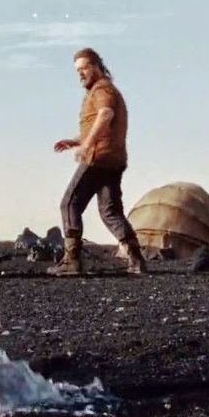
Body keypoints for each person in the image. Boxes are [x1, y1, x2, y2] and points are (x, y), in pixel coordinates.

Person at [48, 47, 147, 275]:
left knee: (69, 203)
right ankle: (136, 259)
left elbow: (105, 116)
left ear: (97, 66)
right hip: (114, 158)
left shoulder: (102, 90)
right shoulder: (107, 90)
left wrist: (87, 145)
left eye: (84, 68)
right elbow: (103, 125)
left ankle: (72, 260)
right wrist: (75, 141)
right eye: (78, 70)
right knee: (110, 211)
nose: (80, 74)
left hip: (98, 157)